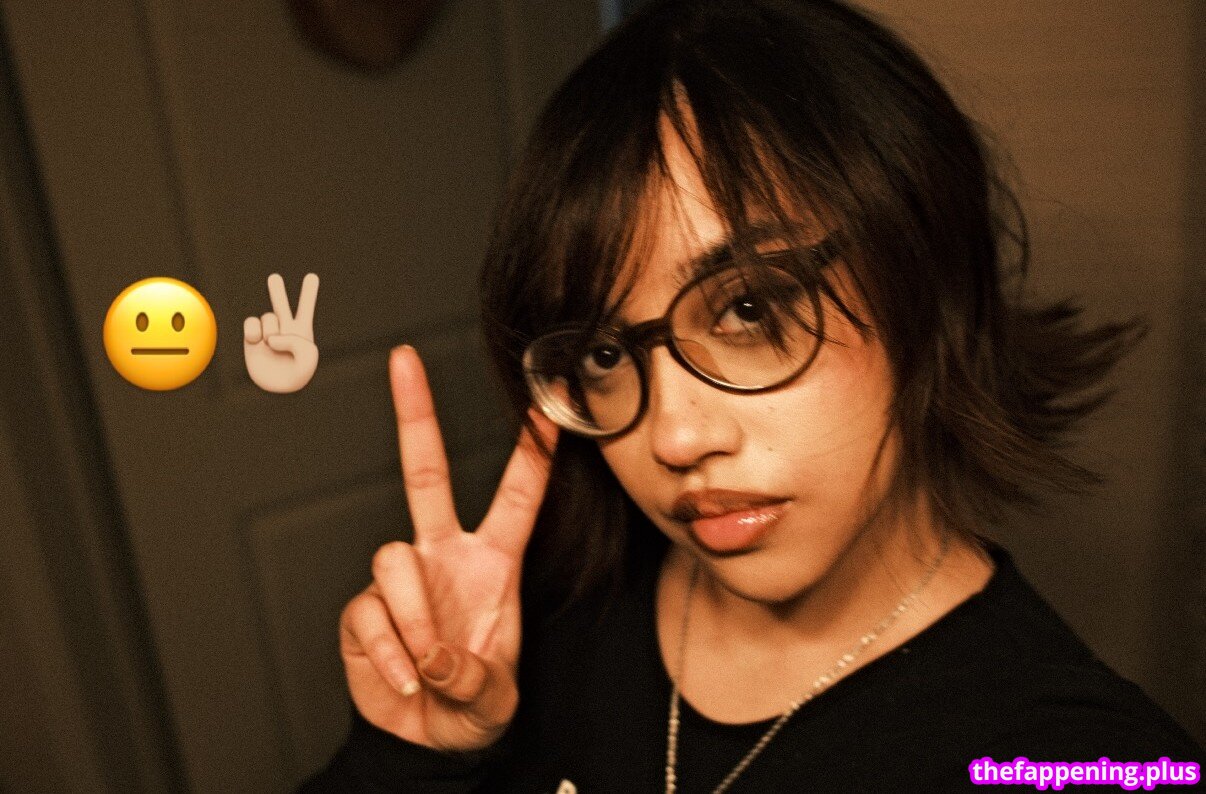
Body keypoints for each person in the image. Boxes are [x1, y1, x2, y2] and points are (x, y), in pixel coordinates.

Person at [303, 0, 1204, 790]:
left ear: (925, 280)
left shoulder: (1082, 757)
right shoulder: (543, 615)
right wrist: (412, 761)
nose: (674, 437)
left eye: (748, 308)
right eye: (606, 352)